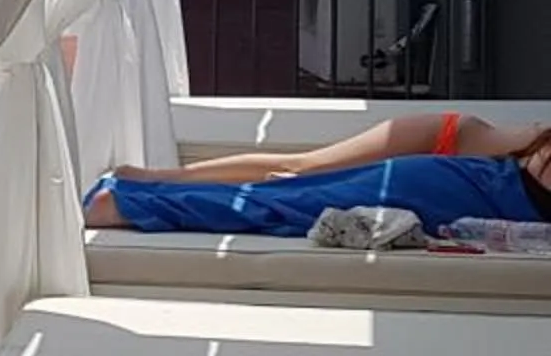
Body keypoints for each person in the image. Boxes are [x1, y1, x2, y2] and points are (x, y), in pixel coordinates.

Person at [87, 111, 551, 235]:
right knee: (295, 180)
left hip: (461, 174)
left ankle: (136, 188)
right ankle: (137, 191)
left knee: (294, 188)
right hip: (449, 155)